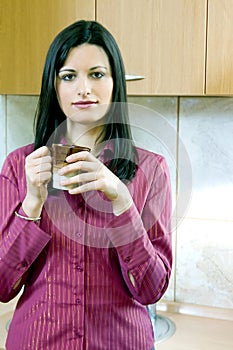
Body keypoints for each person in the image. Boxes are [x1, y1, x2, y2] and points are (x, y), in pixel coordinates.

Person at [0, 20, 172, 350]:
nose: (83, 88)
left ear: (115, 82)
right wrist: (32, 205)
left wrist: (123, 203)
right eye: (69, 76)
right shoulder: (18, 167)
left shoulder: (151, 170)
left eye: (96, 74)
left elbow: (151, 289)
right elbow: (2, 287)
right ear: (54, 85)